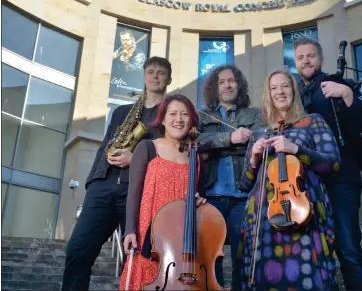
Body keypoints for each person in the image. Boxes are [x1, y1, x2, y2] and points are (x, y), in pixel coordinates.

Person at [61, 56, 172, 291]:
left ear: (168, 79)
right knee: (77, 251)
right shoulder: (121, 111)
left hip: (139, 190)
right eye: (150, 71)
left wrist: (137, 159)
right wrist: (93, 181)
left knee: (135, 261)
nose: (155, 76)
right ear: (144, 76)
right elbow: (105, 146)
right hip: (104, 184)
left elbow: (173, 154)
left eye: (161, 73)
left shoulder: (171, 115)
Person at [232, 68, 341, 291]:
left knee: (306, 274)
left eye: (285, 86)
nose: (279, 92)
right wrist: (253, 158)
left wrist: (296, 149)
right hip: (263, 218)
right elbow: (244, 184)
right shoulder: (259, 134)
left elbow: (333, 163)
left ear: (293, 90)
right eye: (273, 88)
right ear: (268, 95)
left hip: (302, 211)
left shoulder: (312, 122)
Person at [293, 37, 362, 290]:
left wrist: (348, 94)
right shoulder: (293, 94)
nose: (306, 60)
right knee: (314, 252)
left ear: (320, 59)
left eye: (311, 56)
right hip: (307, 183)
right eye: (300, 57)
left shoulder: (337, 84)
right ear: (295, 63)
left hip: (341, 180)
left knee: (348, 250)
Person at [119, 94, 207, 290]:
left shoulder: (196, 157)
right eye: (173, 114)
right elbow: (134, 192)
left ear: (191, 120)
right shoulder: (148, 147)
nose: (179, 119)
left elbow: (200, 197)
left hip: (182, 239)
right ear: (163, 119)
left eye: (184, 114)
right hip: (149, 232)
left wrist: (200, 200)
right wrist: (130, 230)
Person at [197, 64, 265, 287]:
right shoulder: (201, 115)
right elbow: (195, 142)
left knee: (242, 256)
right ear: (215, 88)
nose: (227, 85)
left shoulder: (254, 114)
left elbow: (258, 143)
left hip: (242, 195)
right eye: (222, 81)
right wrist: (231, 139)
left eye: (231, 80)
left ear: (239, 84)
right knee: (210, 256)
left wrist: (213, 147)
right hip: (210, 196)